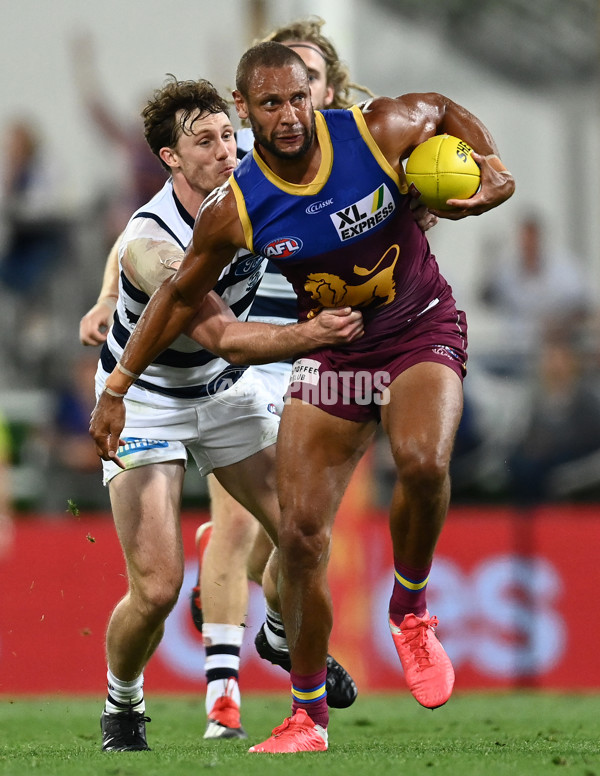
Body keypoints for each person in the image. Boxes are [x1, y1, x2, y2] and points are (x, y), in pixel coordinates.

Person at [89, 43, 515, 753]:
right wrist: (118, 384)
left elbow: (439, 108)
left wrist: (493, 170)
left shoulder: (373, 132)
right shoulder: (231, 209)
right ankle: (291, 715)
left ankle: (408, 614)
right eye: (268, 106)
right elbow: (179, 295)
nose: (288, 117)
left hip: (401, 336)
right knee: (266, 549)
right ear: (246, 110)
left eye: (298, 98)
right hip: (267, 370)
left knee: (420, 461)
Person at [81, 17, 380, 738]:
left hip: (221, 393)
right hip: (147, 401)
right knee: (155, 589)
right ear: (169, 161)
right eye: (204, 143)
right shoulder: (155, 244)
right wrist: (308, 335)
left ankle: (277, 632)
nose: (225, 151)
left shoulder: (247, 166)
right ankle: (123, 699)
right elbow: (219, 333)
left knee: (302, 534)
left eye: (226, 136)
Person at [478, 213, 591, 376]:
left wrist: (559, 324)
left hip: (553, 353)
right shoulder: (507, 270)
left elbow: (584, 308)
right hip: (516, 352)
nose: (527, 244)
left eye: (531, 237)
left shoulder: (564, 269)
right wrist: (487, 259)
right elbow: (484, 298)